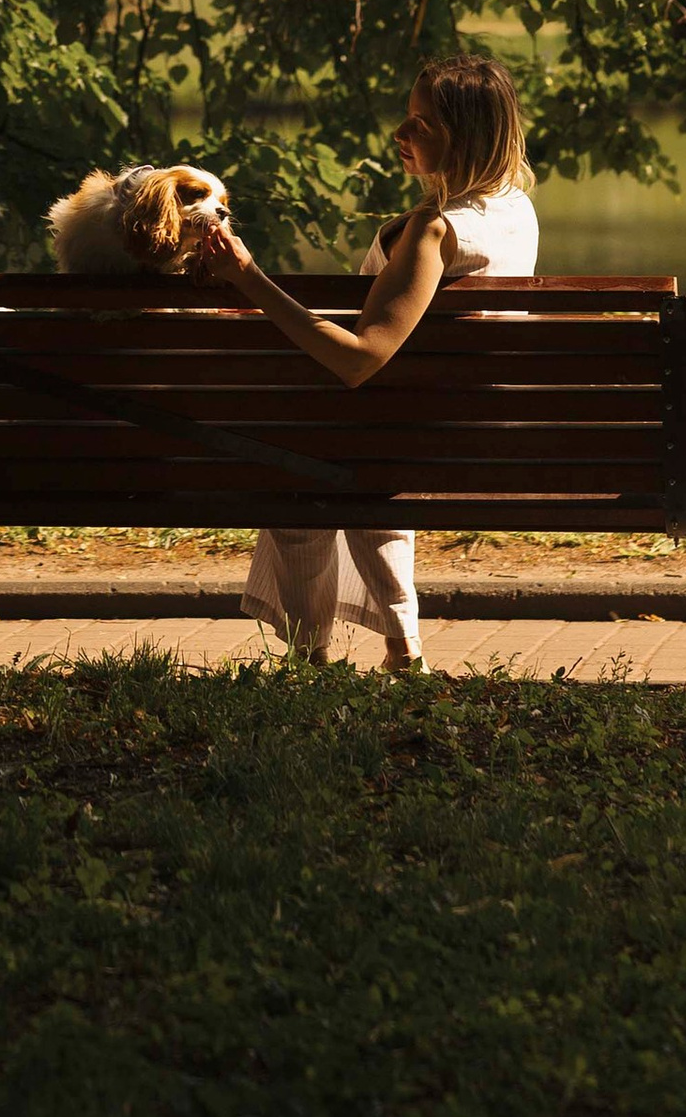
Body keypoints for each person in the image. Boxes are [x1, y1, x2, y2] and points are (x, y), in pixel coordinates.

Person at [200, 48, 537, 675]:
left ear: (464, 137)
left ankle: (309, 657)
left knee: (295, 461)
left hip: (398, 435)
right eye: (406, 117)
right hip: (450, 428)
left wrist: (247, 276)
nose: (400, 134)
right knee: (349, 449)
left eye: (422, 125)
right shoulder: (515, 209)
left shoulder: (436, 231)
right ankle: (401, 647)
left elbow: (361, 359)